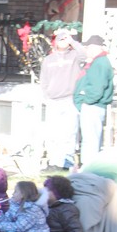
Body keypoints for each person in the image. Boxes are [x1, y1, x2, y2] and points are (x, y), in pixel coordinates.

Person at [39, 28, 84, 170]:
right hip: (53, 101)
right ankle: (53, 162)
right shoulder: (48, 59)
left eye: (65, 39)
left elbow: (85, 54)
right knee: (53, 134)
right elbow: (44, 80)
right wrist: (46, 96)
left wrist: (72, 41)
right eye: (60, 39)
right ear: (55, 42)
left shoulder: (74, 56)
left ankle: (67, 162)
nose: (62, 41)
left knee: (69, 133)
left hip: (69, 99)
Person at [16, 175, 83, 232]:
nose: (44, 191)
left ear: (57, 193)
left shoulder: (67, 209)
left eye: (48, 189)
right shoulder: (45, 206)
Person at [73, 35, 115, 169]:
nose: (86, 50)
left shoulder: (100, 63)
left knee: (91, 138)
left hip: (93, 106)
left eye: (88, 47)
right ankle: (88, 165)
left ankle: (89, 166)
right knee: (90, 137)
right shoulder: (98, 62)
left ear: (94, 47)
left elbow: (97, 87)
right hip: (92, 105)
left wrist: (87, 100)